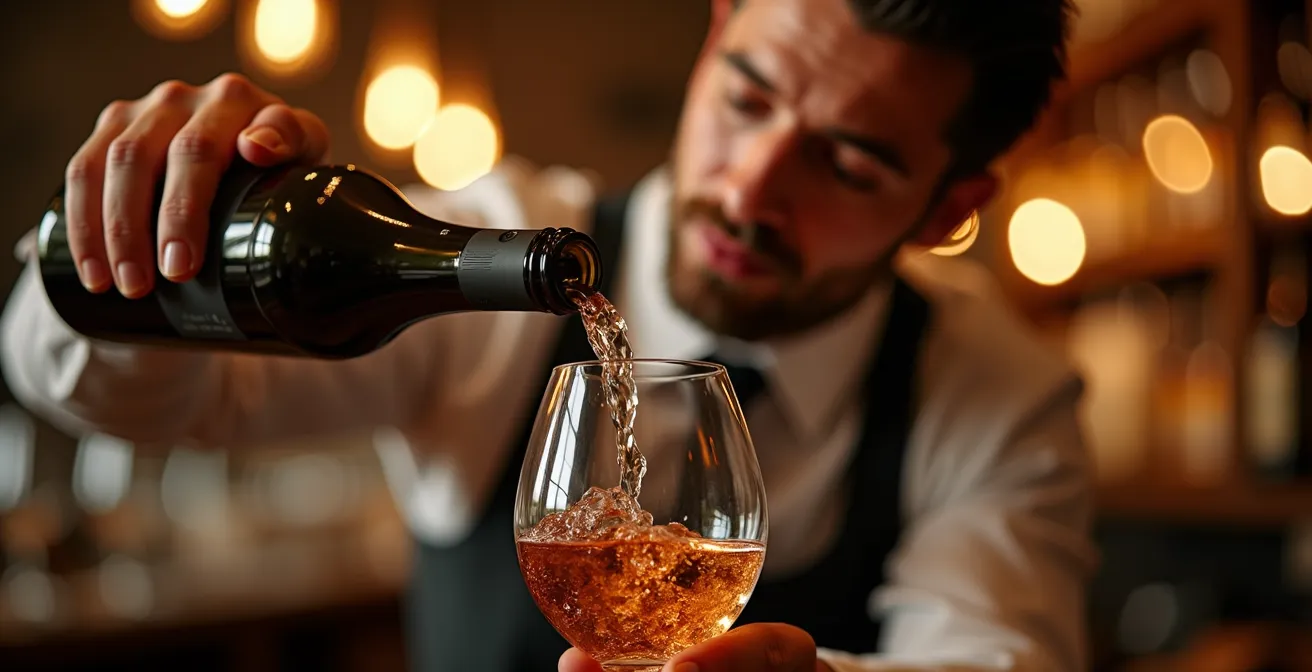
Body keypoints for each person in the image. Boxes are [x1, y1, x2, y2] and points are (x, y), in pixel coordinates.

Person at [1, 0, 1099, 670]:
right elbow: (113, 394)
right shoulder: (480, 251)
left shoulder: (999, 387)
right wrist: (127, 235)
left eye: (851, 164)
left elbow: (995, 657)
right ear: (716, 33)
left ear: (950, 208)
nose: (751, 188)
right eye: (747, 98)